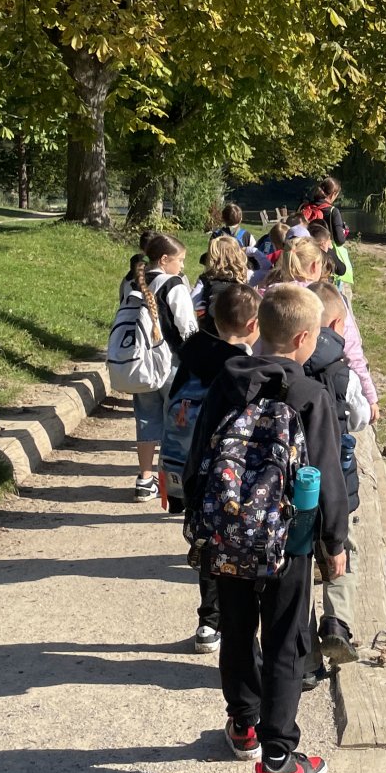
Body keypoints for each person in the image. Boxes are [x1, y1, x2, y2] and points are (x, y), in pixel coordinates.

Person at [183, 283, 346, 773]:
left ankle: (242, 726)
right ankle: (278, 759)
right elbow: (326, 476)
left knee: (236, 629)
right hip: (288, 542)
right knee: (284, 639)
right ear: (302, 339)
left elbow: (199, 460)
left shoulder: (226, 383)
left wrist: (200, 523)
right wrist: (334, 542)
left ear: (259, 330)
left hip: (229, 535)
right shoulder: (310, 395)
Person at [164, 283, 259, 650]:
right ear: (253, 325)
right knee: (235, 543)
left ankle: (208, 623)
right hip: (232, 471)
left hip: (193, 465)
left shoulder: (192, 356)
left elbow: (173, 405)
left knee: (206, 544)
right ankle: (238, 623)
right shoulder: (243, 367)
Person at [305, 282, 368, 669]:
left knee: (299, 558)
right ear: (335, 324)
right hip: (338, 482)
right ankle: (337, 623)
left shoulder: (288, 364)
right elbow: (359, 417)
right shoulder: (343, 371)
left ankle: (305, 650)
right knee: (342, 549)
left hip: (297, 483)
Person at [120, 232, 196, 501]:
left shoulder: (131, 281)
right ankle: (172, 481)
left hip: (141, 362)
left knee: (146, 418)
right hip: (171, 362)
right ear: (164, 259)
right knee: (177, 422)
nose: (182, 266)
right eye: (180, 260)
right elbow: (187, 327)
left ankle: (145, 479)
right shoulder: (174, 285)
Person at [269, 238, 378, 423]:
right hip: (322, 392)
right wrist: (371, 398)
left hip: (277, 383)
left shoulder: (272, 294)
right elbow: (353, 351)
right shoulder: (327, 297)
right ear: (315, 266)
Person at [191, 235, 250, 330]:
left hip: (210, 329)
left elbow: (193, 301)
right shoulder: (244, 277)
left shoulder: (205, 278)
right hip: (236, 329)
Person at [306, 217, 355, 291]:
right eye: (328, 240)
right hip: (322, 289)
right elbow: (341, 270)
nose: (330, 242)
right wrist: (331, 250)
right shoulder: (327, 255)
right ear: (323, 243)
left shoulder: (305, 252)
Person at [298, 176, 348, 246]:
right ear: (333, 194)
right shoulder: (333, 211)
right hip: (324, 250)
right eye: (337, 195)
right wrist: (344, 232)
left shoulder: (305, 207)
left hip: (306, 248)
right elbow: (340, 241)